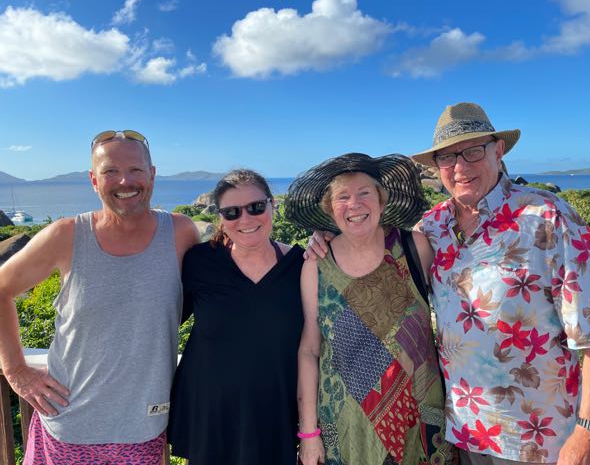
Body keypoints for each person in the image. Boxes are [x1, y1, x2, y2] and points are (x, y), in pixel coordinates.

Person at [307, 104, 590, 465]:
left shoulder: (547, 218)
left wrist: (589, 436)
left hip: (540, 443)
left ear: (498, 150)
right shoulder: (432, 228)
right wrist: (331, 236)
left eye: (473, 151)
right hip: (459, 437)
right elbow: (373, 248)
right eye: (447, 157)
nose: (460, 166)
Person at [0, 130, 200, 465]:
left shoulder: (181, 233)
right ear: (94, 180)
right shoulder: (66, 235)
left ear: (152, 175)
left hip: (145, 430)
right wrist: (15, 369)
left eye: (136, 170)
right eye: (110, 171)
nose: (125, 180)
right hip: (68, 426)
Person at [287, 153, 455, 465]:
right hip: (344, 427)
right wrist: (309, 434)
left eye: (365, 192)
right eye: (343, 196)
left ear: (381, 199)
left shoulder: (414, 247)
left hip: (421, 421)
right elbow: (310, 349)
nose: (355, 204)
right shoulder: (316, 265)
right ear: (330, 208)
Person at [167, 169, 305, 464]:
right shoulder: (199, 261)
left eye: (256, 207)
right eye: (232, 213)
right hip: (210, 413)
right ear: (221, 218)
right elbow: (162, 321)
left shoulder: (301, 265)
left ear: (272, 205)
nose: (246, 220)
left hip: (274, 413)